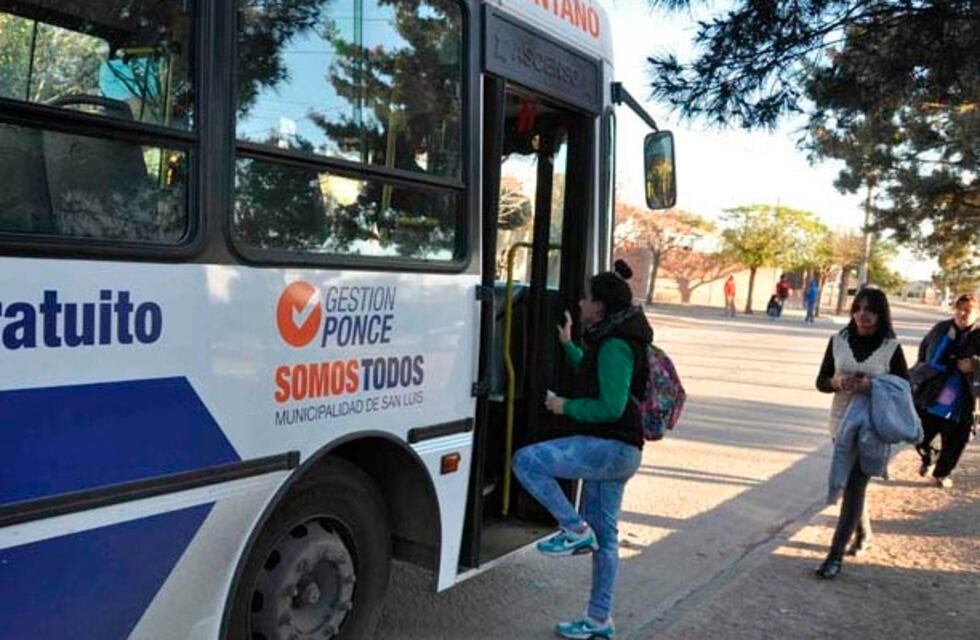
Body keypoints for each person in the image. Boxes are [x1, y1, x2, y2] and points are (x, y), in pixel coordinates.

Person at [512, 259, 652, 640]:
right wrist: (569, 346)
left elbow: (610, 405)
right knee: (606, 540)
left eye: (587, 297)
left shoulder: (616, 345)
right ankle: (598, 622)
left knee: (526, 461)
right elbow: (594, 376)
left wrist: (564, 406)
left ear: (601, 305)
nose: (580, 301)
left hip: (609, 448)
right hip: (617, 452)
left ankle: (573, 528)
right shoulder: (610, 337)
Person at [813, 287, 909, 579]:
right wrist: (837, 382)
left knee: (854, 483)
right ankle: (863, 532)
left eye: (870, 310)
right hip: (840, 422)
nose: (862, 315)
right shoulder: (838, 341)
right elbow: (821, 381)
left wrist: (872, 386)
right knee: (854, 485)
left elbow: (904, 387)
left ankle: (834, 556)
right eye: (858, 308)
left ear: (881, 315)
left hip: (873, 426)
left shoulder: (891, 347)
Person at [913, 293, 980, 488]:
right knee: (920, 436)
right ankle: (929, 457)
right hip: (933, 393)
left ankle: (942, 474)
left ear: (977, 313)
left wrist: (975, 366)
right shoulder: (941, 329)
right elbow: (924, 353)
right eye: (959, 309)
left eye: (968, 310)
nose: (962, 313)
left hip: (965, 400)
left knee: (956, 441)